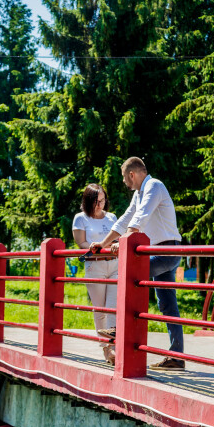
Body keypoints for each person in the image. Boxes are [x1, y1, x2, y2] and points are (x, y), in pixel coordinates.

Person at [90, 157, 185, 371]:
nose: (124, 182)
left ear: (132, 174)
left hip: (167, 251)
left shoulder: (154, 186)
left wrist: (125, 241)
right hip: (159, 251)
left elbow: (140, 217)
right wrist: (104, 243)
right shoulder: (139, 194)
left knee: (129, 277)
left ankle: (119, 328)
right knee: (167, 304)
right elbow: (126, 219)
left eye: (124, 178)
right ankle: (177, 357)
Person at [72, 183, 118, 365]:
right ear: (87, 201)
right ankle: (106, 349)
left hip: (114, 264)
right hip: (95, 266)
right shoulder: (81, 218)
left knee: (113, 307)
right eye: (96, 202)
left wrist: (116, 244)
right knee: (100, 310)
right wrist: (94, 247)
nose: (99, 205)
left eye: (102, 201)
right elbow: (81, 243)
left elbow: (119, 237)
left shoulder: (112, 217)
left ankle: (114, 346)